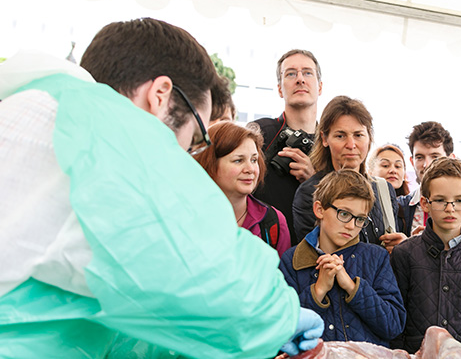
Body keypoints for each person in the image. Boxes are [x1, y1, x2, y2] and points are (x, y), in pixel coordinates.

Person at [0, 18, 321, 358]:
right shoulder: (102, 132)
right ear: (160, 95)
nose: (187, 152)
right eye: (196, 136)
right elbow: (200, 271)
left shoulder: (38, 106)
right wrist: (279, 316)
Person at [390, 157, 461, 359]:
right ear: (425, 203)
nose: (450, 208)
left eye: (459, 200)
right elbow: (396, 320)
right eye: (441, 200)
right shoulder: (404, 254)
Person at [279, 169, 406, 346]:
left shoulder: (376, 257)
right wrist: (318, 290)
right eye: (344, 214)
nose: (351, 226)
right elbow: (283, 329)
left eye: (360, 219)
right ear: (319, 209)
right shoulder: (292, 261)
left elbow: (393, 324)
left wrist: (352, 286)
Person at [292, 96, 398, 246]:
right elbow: (311, 256)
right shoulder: (310, 193)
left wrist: (401, 250)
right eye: (340, 136)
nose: (351, 144)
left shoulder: (384, 190)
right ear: (324, 138)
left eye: (358, 135)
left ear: (369, 137)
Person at [253, 49, 321, 245]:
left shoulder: (331, 143)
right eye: (290, 73)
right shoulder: (260, 132)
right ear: (280, 88)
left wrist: (314, 180)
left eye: (307, 72)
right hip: (264, 249)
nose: (300, 79)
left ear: (320, 86)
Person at [389, 121, 461, 253]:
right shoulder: (401, 206)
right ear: (412, 161)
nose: (427, 164)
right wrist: (406, 247)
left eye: (435, 156)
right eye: (419, 157)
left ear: (451, 158)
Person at [194, 121, 291, 256]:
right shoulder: (187, 217)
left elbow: (280, 275)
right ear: (211, 164)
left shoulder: (274, 222)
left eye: (254, 160)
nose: (250, 169)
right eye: (238, 160)